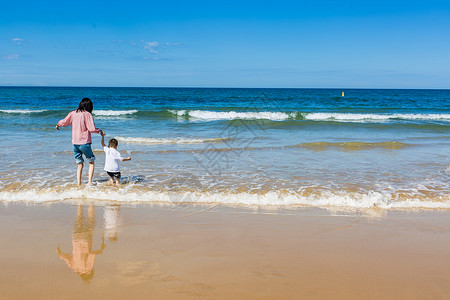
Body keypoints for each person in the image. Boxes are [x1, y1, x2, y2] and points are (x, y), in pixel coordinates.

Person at [56, 98, 104, 186]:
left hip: (75, 144)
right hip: (84, 142)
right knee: (91, 162)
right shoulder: (87, 114)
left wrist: (58, 124)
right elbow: (91, 129)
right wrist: (99, 131)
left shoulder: (73, 113)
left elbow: (64, 122)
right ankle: (89, 182)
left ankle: (79, 184)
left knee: (79, 164)